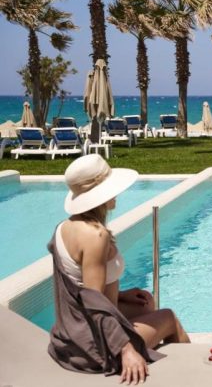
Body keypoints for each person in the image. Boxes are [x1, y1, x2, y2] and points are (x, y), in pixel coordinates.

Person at [48, 154, 190, 384]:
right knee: (169, 317)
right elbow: (94, 301)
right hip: (92, 345)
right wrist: (126, 350)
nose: (116, 194)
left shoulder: (64, 227)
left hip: (72, 331)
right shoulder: (95, 236)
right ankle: (192, 376)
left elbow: (80, 284)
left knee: (146, 303)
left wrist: (121, 295)